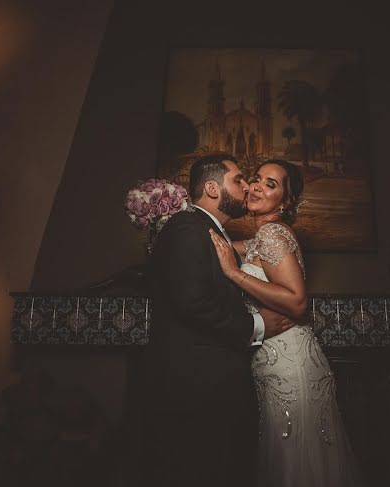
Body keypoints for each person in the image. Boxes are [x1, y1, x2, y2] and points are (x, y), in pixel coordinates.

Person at [136, 154, 294, 487]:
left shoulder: (208, 230)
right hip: (194, 391)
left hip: (209, 389)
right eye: (238, 179)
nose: (247, 185)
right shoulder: (187, 228)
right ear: (211, 187)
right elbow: (192, 303)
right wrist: (258, 325)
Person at [208, 160, 364, 487]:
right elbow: (225, 247)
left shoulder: (273, 233)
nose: (257, 187)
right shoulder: (261, 238)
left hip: (290, 369)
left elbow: (297, 301)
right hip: (277, 366)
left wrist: (234, 274)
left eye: (271, 184)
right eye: (256, 179)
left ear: (286, 201)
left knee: (295, 465)